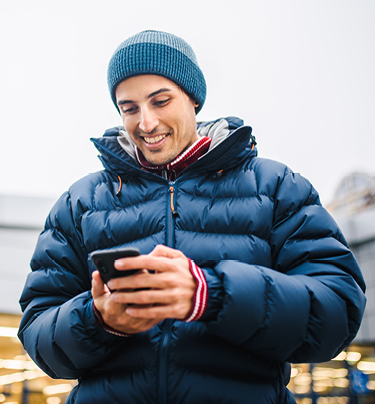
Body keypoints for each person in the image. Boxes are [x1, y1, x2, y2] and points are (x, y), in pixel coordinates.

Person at [18, 30, 366, 404]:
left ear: (193, 99)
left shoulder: (277, 187)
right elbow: (39, 332)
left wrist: (210, 294)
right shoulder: (81, 202)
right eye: (129, 108)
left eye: (161, 101)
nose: (146, 123)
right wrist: (98, 320)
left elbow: (337, 312)